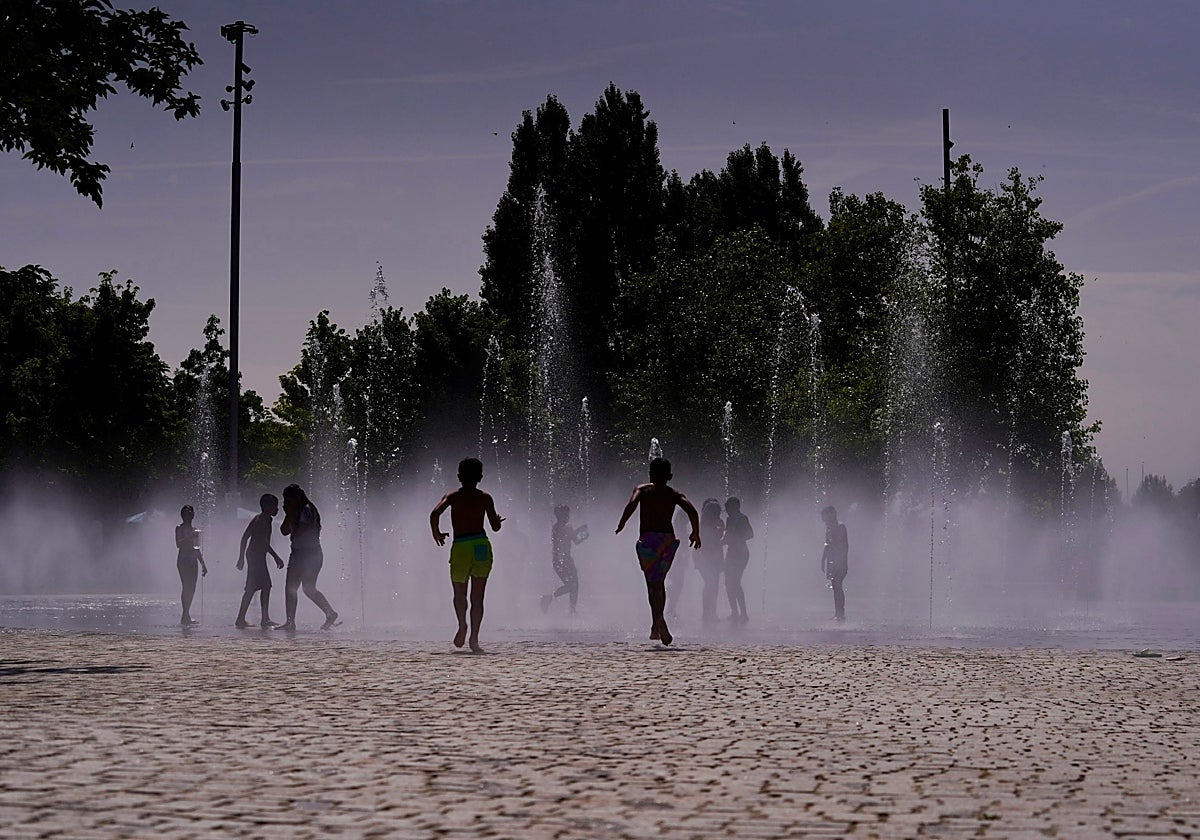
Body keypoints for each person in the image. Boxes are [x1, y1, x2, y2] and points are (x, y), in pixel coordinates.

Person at [615, 457, 701, 646]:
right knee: (659, 582)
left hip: (649, 541)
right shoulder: (674, 494)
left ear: (650, 474)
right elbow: (692, 512)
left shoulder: (642, 490)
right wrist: (696, 533)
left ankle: (659, 620)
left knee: (651, 584)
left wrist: (622, 523)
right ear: (670, 476)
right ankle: (656, 624)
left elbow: (631, 505)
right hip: (667, 541)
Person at [430, 457, 504, 652]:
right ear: (480, 477)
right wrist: (498, 521)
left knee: (459, 593)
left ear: (459, 476)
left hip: (461, 545)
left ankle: (462, 624)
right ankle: (474, 639)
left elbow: (434, 514)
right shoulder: (485, 498)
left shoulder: (453, 496)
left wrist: (436, 533)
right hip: (481, 544)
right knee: (478, 598)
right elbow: (495, 528)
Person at [279, 484, 339, 631]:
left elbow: (301, 531)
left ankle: (291, 621)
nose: (285, 502)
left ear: (297, 498)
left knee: (297, 587)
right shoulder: (296, 511)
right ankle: (329, 613)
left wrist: (291, 514)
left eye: (288, 499)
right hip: (304, 553)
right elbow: (284, 531)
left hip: (308, 554)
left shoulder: (306, 510)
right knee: (302, 588)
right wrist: (288, 514)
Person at [235, 493, 285, 629]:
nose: (278, 509)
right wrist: (276, 557)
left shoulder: (257, 518)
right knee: (262, 586)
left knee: (258, 587)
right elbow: (263, 542)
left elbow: (245, 538)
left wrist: (241, 558)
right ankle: (259, 619)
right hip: (256, 556)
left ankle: (251, 618)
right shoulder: (265, 520)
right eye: (276, 506)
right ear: (268, 507)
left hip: (253, 555)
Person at [541, 504, 588, 614]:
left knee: (575, 584)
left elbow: (575, 541)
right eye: (565, 514)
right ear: (558, 515)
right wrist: (578, 531)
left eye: (568, 514)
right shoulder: (557, 528)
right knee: (571, 585)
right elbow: (563, 538)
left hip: (567, 559)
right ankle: (549, 598)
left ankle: (572, 610)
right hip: (559, 560)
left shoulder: (567, 527)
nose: (567, 516)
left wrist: (583, 536)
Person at [175, 505, 208, 626]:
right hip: (183, 559)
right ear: (182, 515)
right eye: (187, 512)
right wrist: (189, 536)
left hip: (193, 559)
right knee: (186, 586)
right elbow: (178, 544)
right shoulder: (179, 528)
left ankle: (186, 614)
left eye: (191, 512)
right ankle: (185, 615)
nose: (189, 514)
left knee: (192, 587)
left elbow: (197, 548)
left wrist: (203, 564)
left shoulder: (195, 530)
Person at [723, 497, 754, 624]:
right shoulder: (729, 519)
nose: (727, 511)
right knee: (728, 583)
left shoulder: (742, 518)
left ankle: (743, 613)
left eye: (728, 508)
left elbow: (750, 534)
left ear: (735, 507)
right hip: (732, 553)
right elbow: (727, 537)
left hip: (741, 553)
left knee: (735, 582)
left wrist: (737, 538)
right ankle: (735, 612)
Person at [695, 498, 725, 624]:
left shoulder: (707, 523)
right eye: (717, 512)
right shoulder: (705, 525)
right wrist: (722, 529)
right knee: (710, 585)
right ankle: (708, 613)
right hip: (708, 556)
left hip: (712, 556)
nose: (718, 515)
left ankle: (710, 612)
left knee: (712, 585)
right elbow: (712, 539)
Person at [820, 505, 849, 621]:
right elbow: (827, 544)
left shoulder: (840, 527)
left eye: (825, 517)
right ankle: (838, 613)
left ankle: (840, 613)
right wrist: (823, 559)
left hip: (840, 562)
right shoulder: (829, 528)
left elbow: (844, 546)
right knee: (835, 587)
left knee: (838, 586)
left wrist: (841, 561)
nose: (824, 520)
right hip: (832, 561)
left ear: (832, 514)